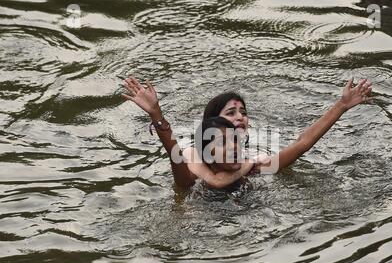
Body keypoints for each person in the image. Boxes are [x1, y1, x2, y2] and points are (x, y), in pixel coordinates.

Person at [121, 76, 372, 188]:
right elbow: (173, 151)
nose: (239, 118)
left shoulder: (252, 162)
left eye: (242, 112)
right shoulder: (191, 164)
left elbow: (301, 144)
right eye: (230, 113)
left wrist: (341, 106)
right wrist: (156, 114)